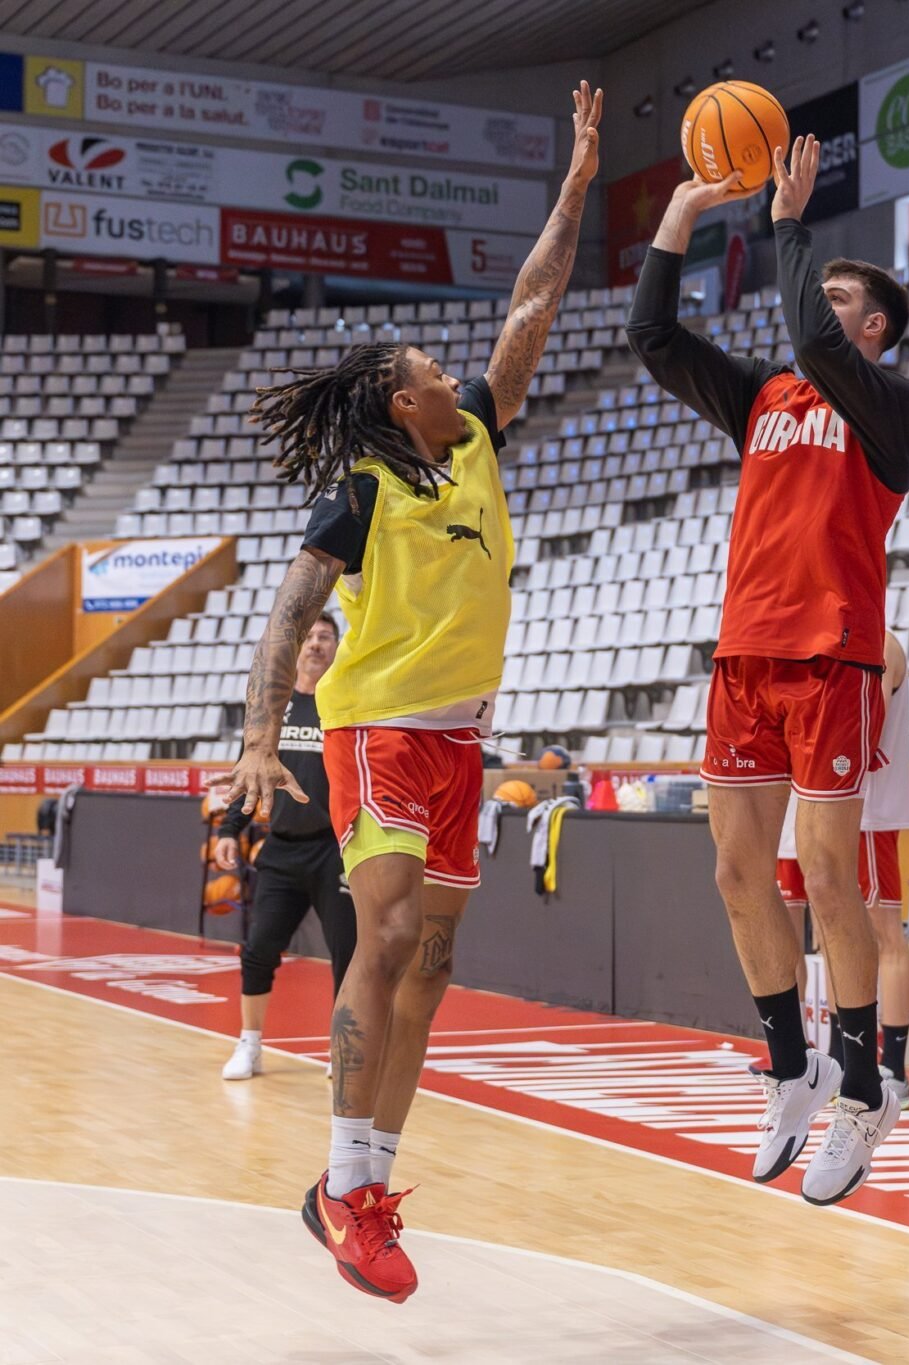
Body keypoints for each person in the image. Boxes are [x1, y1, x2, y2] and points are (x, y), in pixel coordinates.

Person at [215, 81, 602, 1304]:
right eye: (437, 370)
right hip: (375, 731)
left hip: (460, 742)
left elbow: (531, 307)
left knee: (431, 962)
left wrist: (580, 183)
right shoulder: (365, 490)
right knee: (381, 938)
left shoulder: (476, 438)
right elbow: (288, 610)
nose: (458, 376)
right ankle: (342, 1184)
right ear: (402, 402)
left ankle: (363, 1186)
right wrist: (259, 736)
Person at [628, 136, 909, 1206]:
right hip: (743, 655)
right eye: (821, 288)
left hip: (832, 658)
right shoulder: (762, 400)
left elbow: (808, 326)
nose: (817, 304)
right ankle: (792, 1073)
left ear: (873, 328)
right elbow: (652, 333)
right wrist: (685, 209)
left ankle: (860, 1095)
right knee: (736, 876)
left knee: (832, 882)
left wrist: (789, 225)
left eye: (841, 296)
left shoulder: (888, 410)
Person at [776, 630, 909, 1107]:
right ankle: (840, 1057)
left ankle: (893, 1067)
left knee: (884, 935)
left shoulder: (880, 646)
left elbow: (861, 729)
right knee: (833, 935)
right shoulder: (831, 644)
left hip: (867, 808)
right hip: (823, 806)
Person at [218, 613, 355, 1081]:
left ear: (337, 646)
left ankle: (342, 1050)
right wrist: (227, 831)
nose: (317, 644)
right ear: (296, 647)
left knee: (348, 954)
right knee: (258, 949)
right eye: (310, 637)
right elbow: (249, 771)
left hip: (334, 849)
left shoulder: (346, 705)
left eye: (325, 637)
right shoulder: (274, 709)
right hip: (281, 848)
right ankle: (250, 1045)